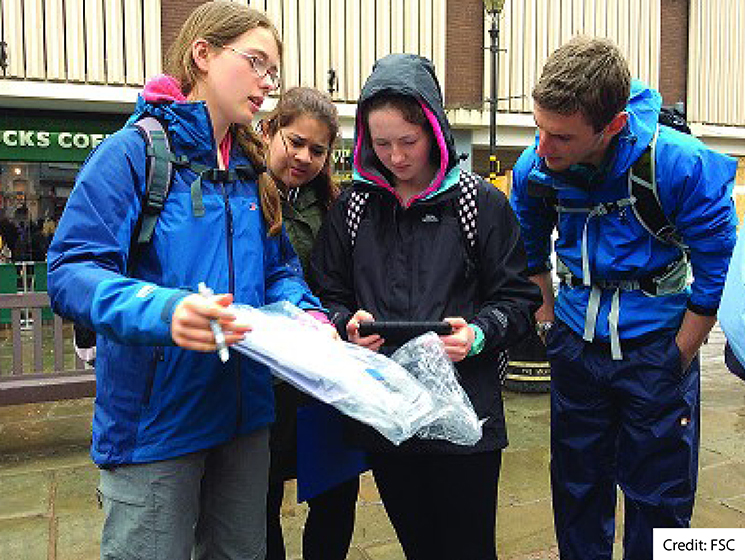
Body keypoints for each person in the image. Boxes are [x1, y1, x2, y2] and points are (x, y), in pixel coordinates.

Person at [46, 3, 331, 559]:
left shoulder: (252, 170)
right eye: (256, 63)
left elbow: (279, 273)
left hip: (245, 422)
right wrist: (164, 310)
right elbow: (71, 271)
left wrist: (308, 316)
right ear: (202, 54)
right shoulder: (132, 154)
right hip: (156, 429)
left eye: (274, 71)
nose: (268, 84)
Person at [510, 36, 738, 560]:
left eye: (561, 135)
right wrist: (550, 327)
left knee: (661, 500)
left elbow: (716, 265)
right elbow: (527, 249)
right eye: (539, 126)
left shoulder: (680, 166)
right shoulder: (535, 168)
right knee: (576, 490)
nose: (543, 147)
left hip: (655, 348)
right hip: (576, 348)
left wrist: (678, 354)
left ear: (610, 126)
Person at [310, 53, 542, 560]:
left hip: (467, 417)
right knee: (419, 546)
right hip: (387, 416)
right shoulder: (353, 209)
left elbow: (519, 299)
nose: (395, 156)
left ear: (435, 129)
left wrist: (477, 334)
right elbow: (325, 294)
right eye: (382, 143)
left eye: (407, 141)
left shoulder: (480, 204)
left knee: (469, 548)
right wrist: (343, 322)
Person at [260, 86, 359, 560]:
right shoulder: (242, 191)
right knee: (261, 499)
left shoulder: (335, 207)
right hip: (263, 377)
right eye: (294, 141)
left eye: (317, 150)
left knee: (335, 496)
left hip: (322, 376)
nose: (303, 156)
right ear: (271, 130)